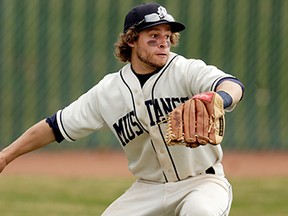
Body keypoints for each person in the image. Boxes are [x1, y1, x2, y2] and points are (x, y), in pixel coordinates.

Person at [0, 2, 244, 216]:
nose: (164, 42)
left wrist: (219, 98)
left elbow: (232, 85)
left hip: (202, 182)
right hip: (149, 188)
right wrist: (6, 155)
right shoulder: (108, 90)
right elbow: (55, 127)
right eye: (154, 35)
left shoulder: (185, 69)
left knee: (200, 212)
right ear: (131, 39)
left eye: (167, 35)